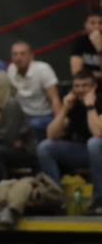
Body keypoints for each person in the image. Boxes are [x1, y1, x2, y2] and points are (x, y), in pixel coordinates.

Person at [38, 68, 102, 212]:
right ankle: (54, 200)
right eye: (77, 86)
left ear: (94, 86)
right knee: (45, 147)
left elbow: (98, 133)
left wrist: (90, 106)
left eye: (84, 85)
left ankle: (99, 201)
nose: (80, 90)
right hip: (82, 152)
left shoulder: (99, 101)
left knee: (94, 143)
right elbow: (51, 134)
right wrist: (64, 109)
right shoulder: (73, 104)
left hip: (99, 149)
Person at [8, 40, 61, 135]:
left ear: (31, 56)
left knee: (32, 125)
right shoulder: (11, 69)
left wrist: (60, 122)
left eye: (22, 54)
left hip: (43, 115)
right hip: (22, 116)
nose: (18, 57)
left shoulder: (43, 69)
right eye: (15, 54)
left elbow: (55, 99)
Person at [70, 9, 102, 74]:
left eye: (100, 23)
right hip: (87, 80)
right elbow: (76, 72)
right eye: (92, 23)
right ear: (86, 25)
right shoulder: (80, 41)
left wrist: (100, 49)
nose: (97, 27)